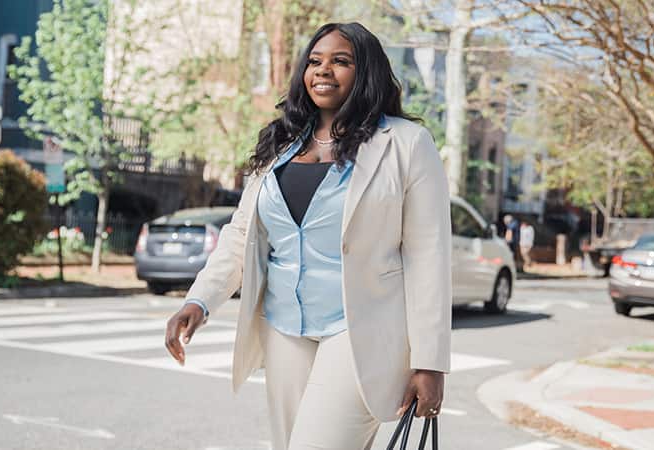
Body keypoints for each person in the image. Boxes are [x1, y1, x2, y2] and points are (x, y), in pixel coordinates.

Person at [164, 22, 452, 450]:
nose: (323, 70)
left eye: (341, 61)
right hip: (284, 327)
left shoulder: (406, 144)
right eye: (315, 61)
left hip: (360, 331)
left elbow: (429, 256)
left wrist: (430, 362)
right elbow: (243, 233)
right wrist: (199, 301)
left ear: (366, 72)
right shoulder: (280, 144)